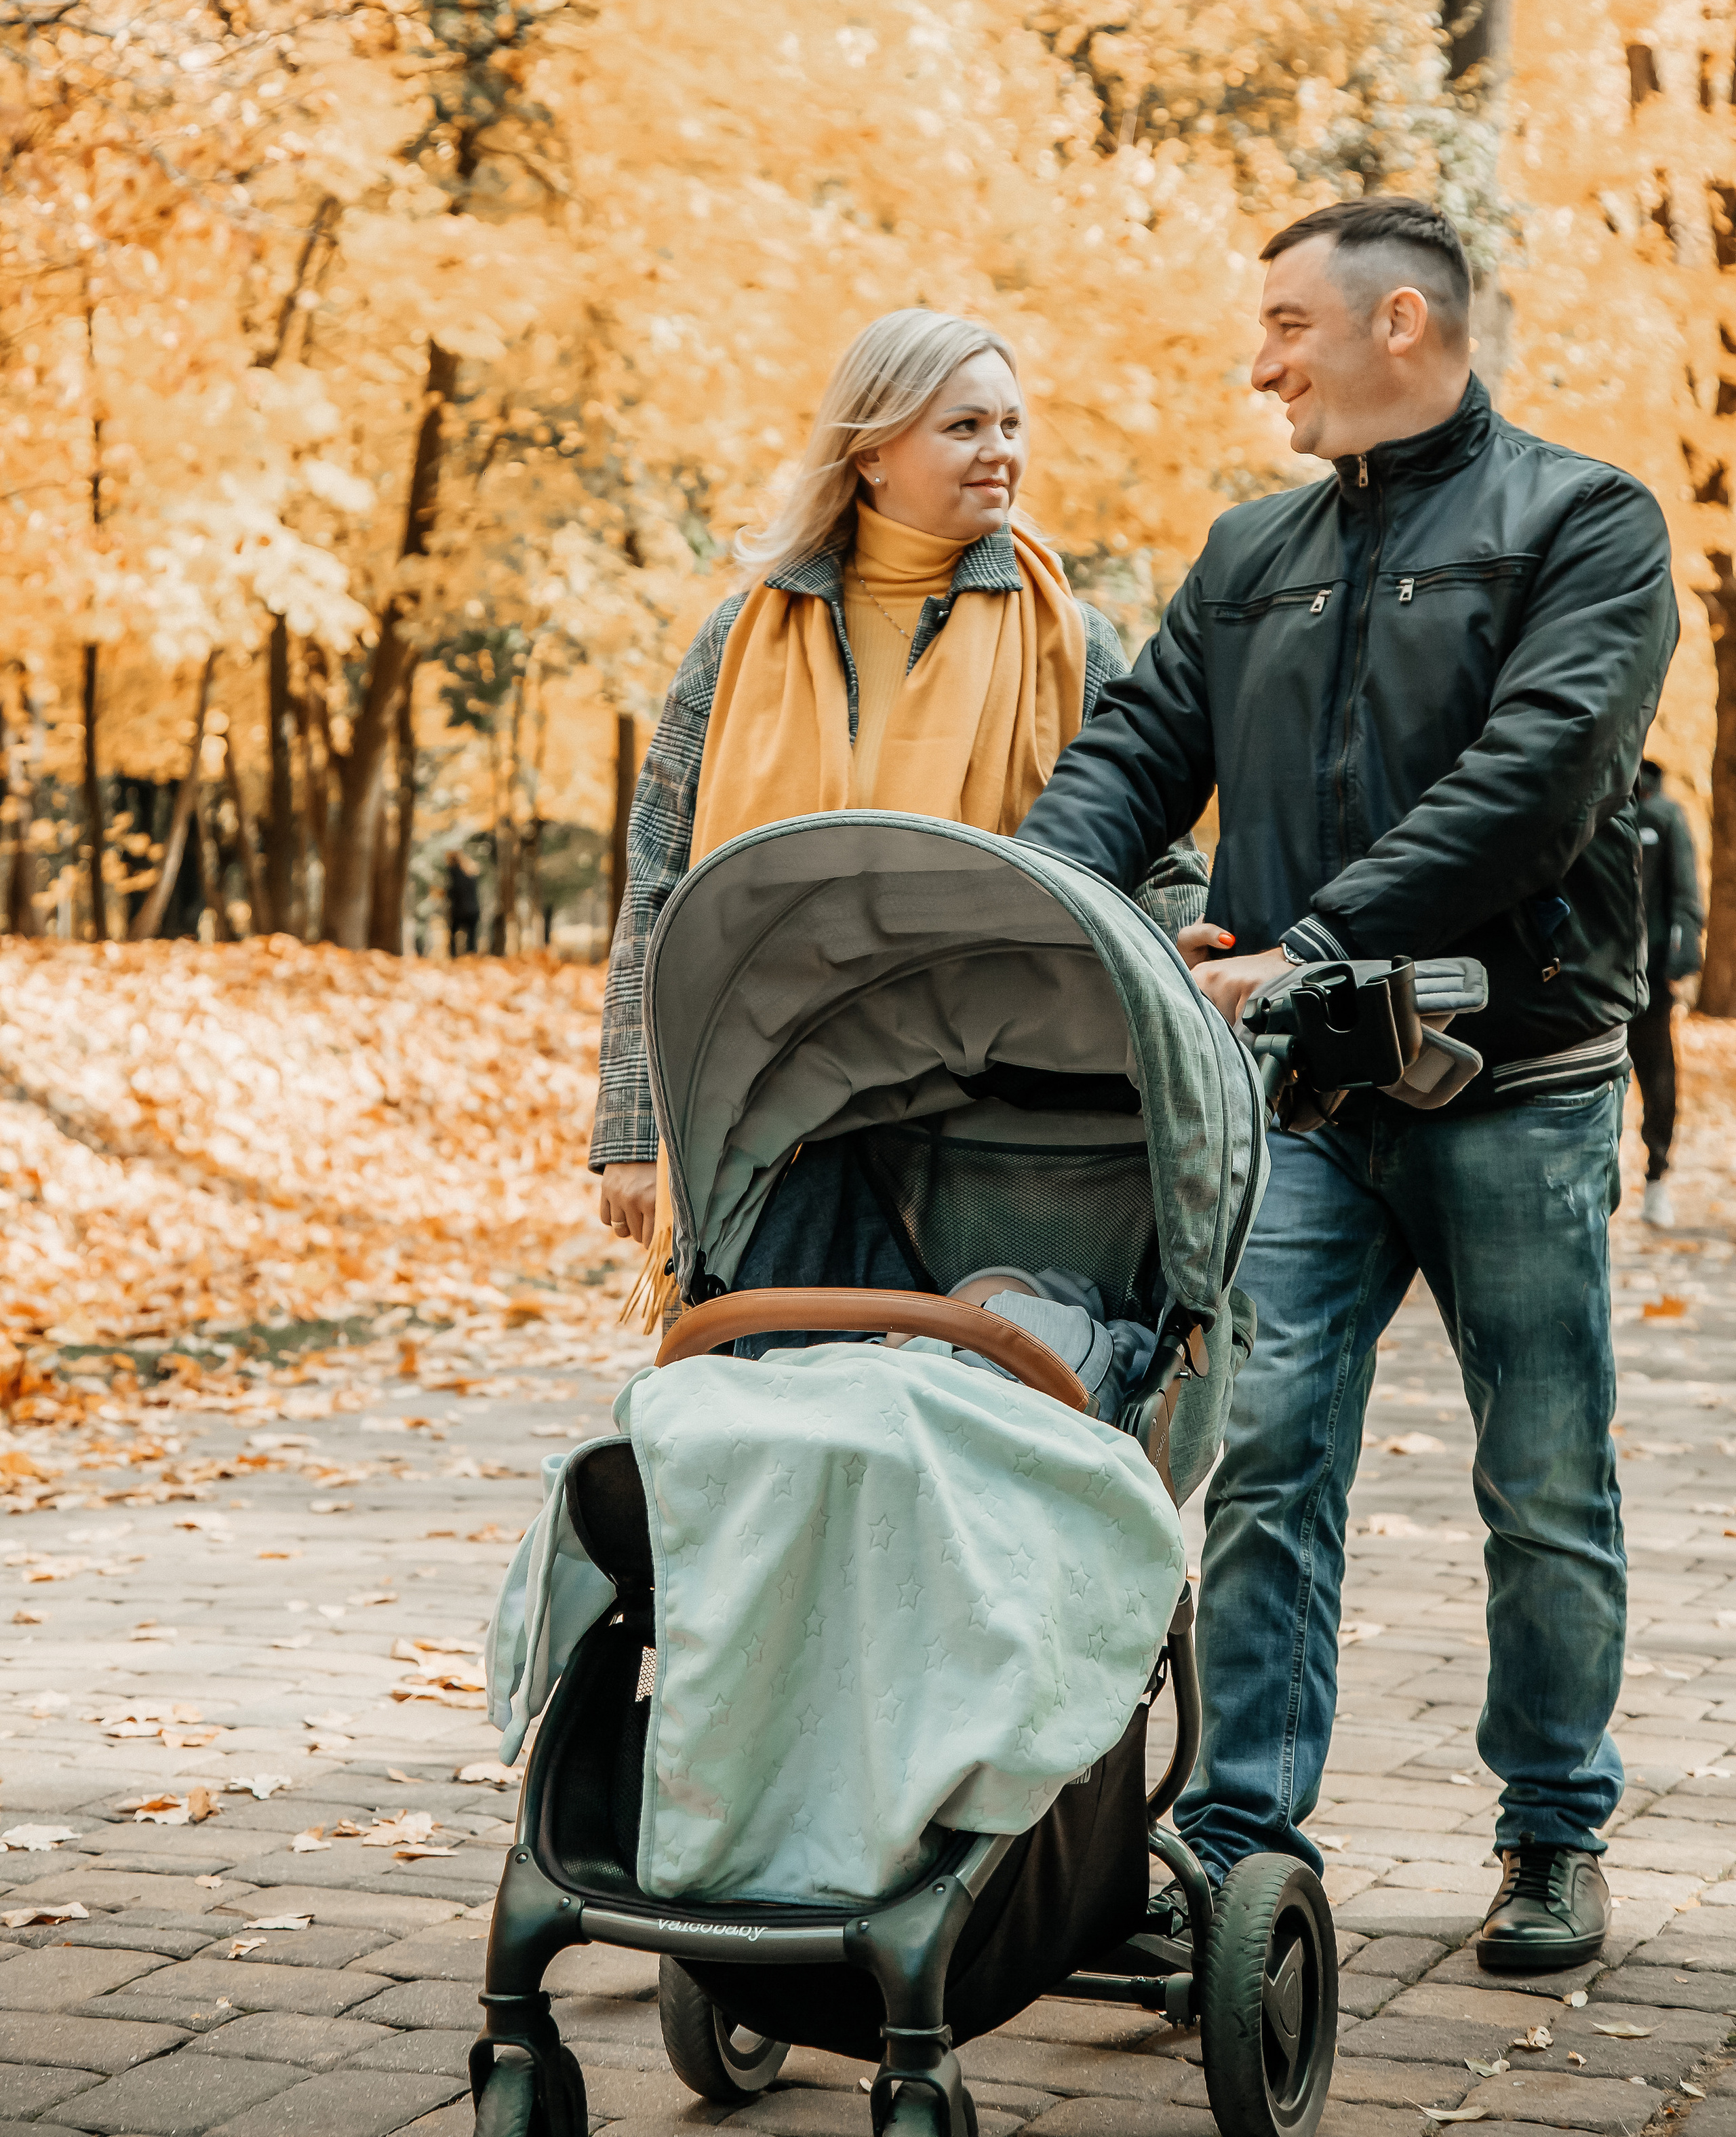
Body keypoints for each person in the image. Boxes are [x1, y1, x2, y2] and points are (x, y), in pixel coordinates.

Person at [1016, 197, 1678, 1973]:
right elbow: (1134, 752)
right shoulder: (1251, 551)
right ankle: (1240, 1841)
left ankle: (1551, 1831)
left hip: (1518, 1081)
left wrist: (1307, 937)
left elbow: (1536, 781)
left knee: (1543, 1478)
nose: (1262, 366)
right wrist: (1029, 906)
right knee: (1266, 1463)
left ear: (1404, 321)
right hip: (1301, 1107)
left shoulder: (1588, 523)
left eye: (1289, 329)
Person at [587, 307, 1208, 1306]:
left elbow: (1161, 863)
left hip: (1001, 1124)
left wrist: (1198, 978)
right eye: (963, 427)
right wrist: (630, 1132)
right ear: (872, 451)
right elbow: (661, 894)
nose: (999, 451)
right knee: (782, 1401)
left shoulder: (1075, 641)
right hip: (781, 1113)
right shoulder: (739, 639)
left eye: (1011, 425)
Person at [1631, 758, 1704, 1228]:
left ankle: (1657, 1177)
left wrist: (1680, 959)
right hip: (1592, 974)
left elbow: (1686, 893)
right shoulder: (1591, 802)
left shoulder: (1664, 814)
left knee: (1657, 1076)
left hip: (1651, 976)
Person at [446, 850, 480, 957]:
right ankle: (471, 958)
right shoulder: (471, 875)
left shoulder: (454, 872)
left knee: (453, 936)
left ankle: (454, 958)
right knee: (471, 939)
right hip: (473, 910)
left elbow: (454, 891)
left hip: (460, 910)